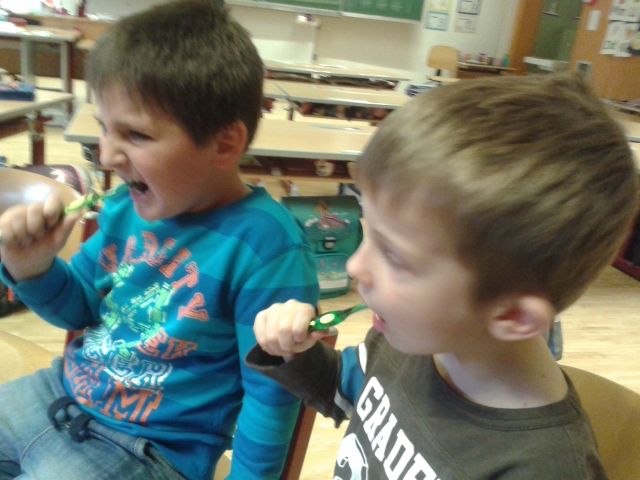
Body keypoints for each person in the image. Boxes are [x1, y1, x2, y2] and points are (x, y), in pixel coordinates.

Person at [248, 74, 638, 479]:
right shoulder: (414, 337)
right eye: (369, 231)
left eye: (394, 256)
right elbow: (349, 391)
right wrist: (296, 353)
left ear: (511, 316)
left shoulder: (542, 468)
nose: (355, 267)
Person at [0, 1, 319, 479]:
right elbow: (79, 309)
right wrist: (34, 269)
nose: (107, 156)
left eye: (135, 135)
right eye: (104, 128)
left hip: (144, 451)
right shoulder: (124, 209)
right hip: (57, 397)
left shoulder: (266, 247)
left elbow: (270, 396)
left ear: (223, 144)